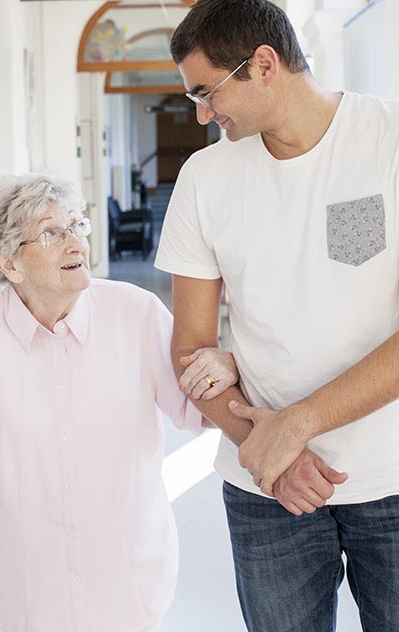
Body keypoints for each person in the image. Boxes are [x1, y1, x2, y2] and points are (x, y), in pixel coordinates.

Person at [155, 0, 399, 630]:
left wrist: (297, 425)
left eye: (207, 92)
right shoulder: (204, 179)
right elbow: (190, 350)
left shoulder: (388, 141)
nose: (203, 115)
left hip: (393, 475)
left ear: (263, 64)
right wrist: (268, 451)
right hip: (265, 487)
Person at [0, 173, 233, 632]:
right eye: (52, 233)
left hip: (128, 579)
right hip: (26, 589)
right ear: (8, 263)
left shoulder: (137, 313)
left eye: (77, 226)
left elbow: (197, 409)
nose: (75, 243)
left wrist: (226, 369)